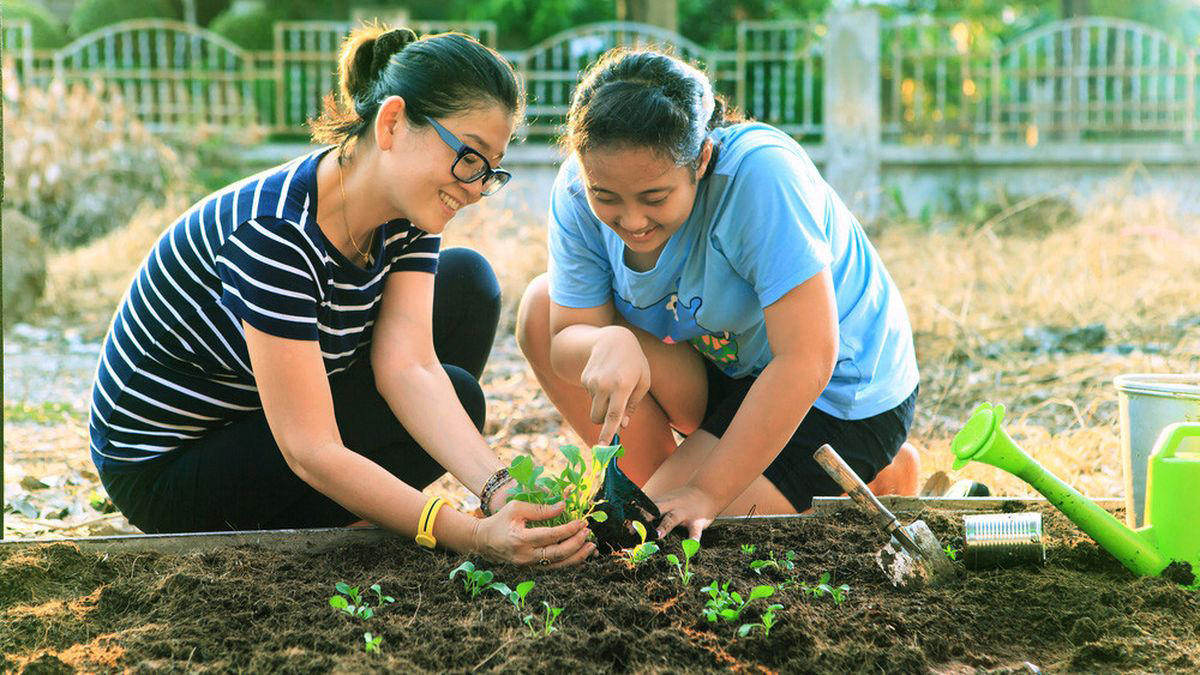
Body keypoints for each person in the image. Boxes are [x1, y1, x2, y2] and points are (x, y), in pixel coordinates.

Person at [88, 25, 593, 568]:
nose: (473, 188)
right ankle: (350, 514)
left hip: (266, 416)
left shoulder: (410, 213)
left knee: (465, 287)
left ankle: (357, 509)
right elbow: (311, 449)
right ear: (393, 123)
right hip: (172, 469)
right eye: (468, 157)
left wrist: (498, 489)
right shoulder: (275, 232)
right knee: (460, 396)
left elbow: (410, 368)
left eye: (489, 171)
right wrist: (464, 535)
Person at [516, 49, 921, 542]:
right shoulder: (578, 192)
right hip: (730, 369)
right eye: (607, 197)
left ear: (702, 159)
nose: (632, 220)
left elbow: (808, 357)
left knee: (677, 530)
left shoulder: (761, 176)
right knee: (541, 307)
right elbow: (561, 339)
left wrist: (706, 493)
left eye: (655, 197)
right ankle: (672, 481)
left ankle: (875, 472)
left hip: (836, 390)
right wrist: (604, 344)